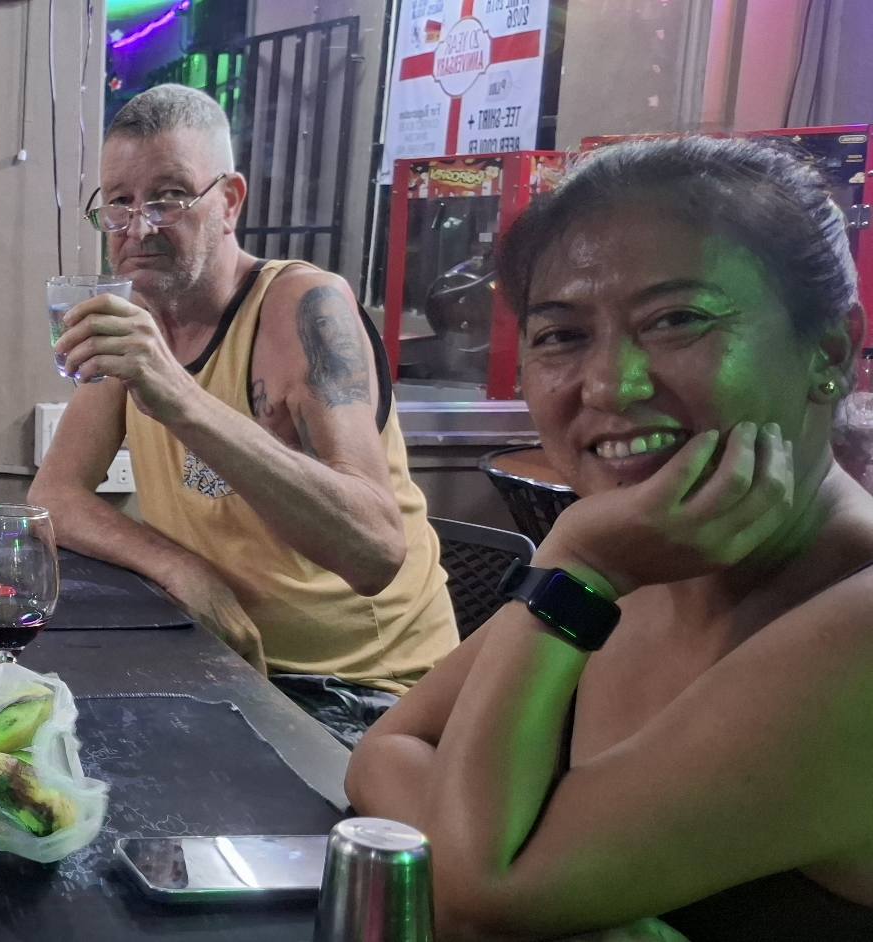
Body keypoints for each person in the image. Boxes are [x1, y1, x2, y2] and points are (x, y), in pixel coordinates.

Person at [347, 136, 873, 940]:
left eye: (677, 320)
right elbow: (387, 748)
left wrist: (576, 564)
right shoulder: (650, 562)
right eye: (562, 335)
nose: (608, 385)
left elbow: (481, 889)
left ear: (830, 350)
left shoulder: (852, 623)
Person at [31, 84, 457, 743]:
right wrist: (181, 570)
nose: (139, 228)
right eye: (120, 202)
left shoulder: (304, 306)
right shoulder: (137, 320)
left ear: (229, 201)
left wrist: (179, 397)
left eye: (169, 197)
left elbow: (376, 550)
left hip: (364, 696)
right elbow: (54, 495)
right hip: (218, 662)